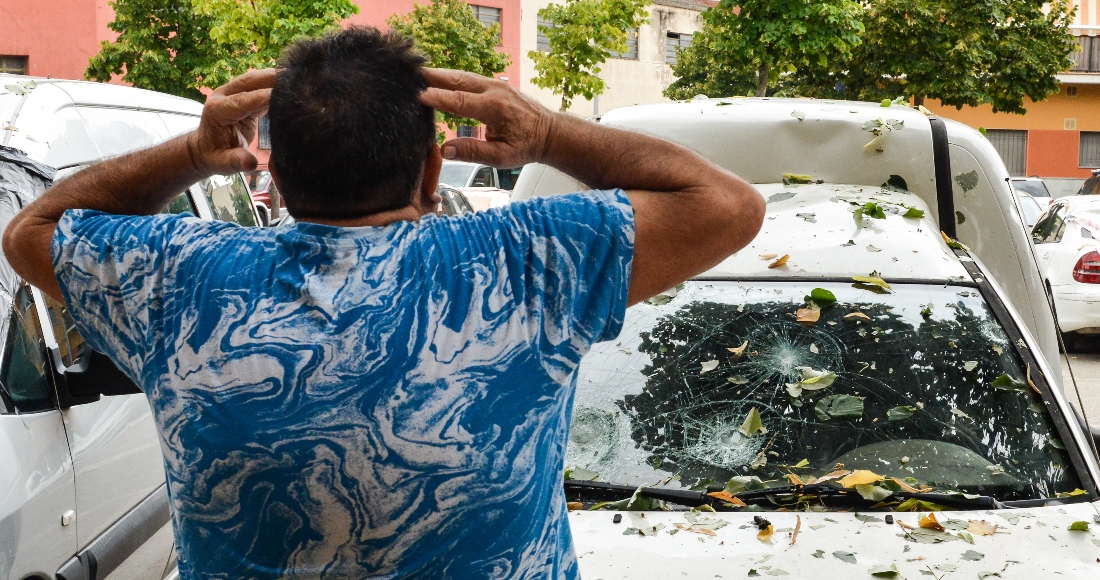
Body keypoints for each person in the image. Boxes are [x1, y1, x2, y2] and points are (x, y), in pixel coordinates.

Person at [4, 27, 764, 579]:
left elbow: (30, 231)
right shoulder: (526, 264)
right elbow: (728, 204)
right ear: (433, 172)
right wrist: (545, 133)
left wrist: (193, 152)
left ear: (279, 176)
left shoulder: (183, 281)